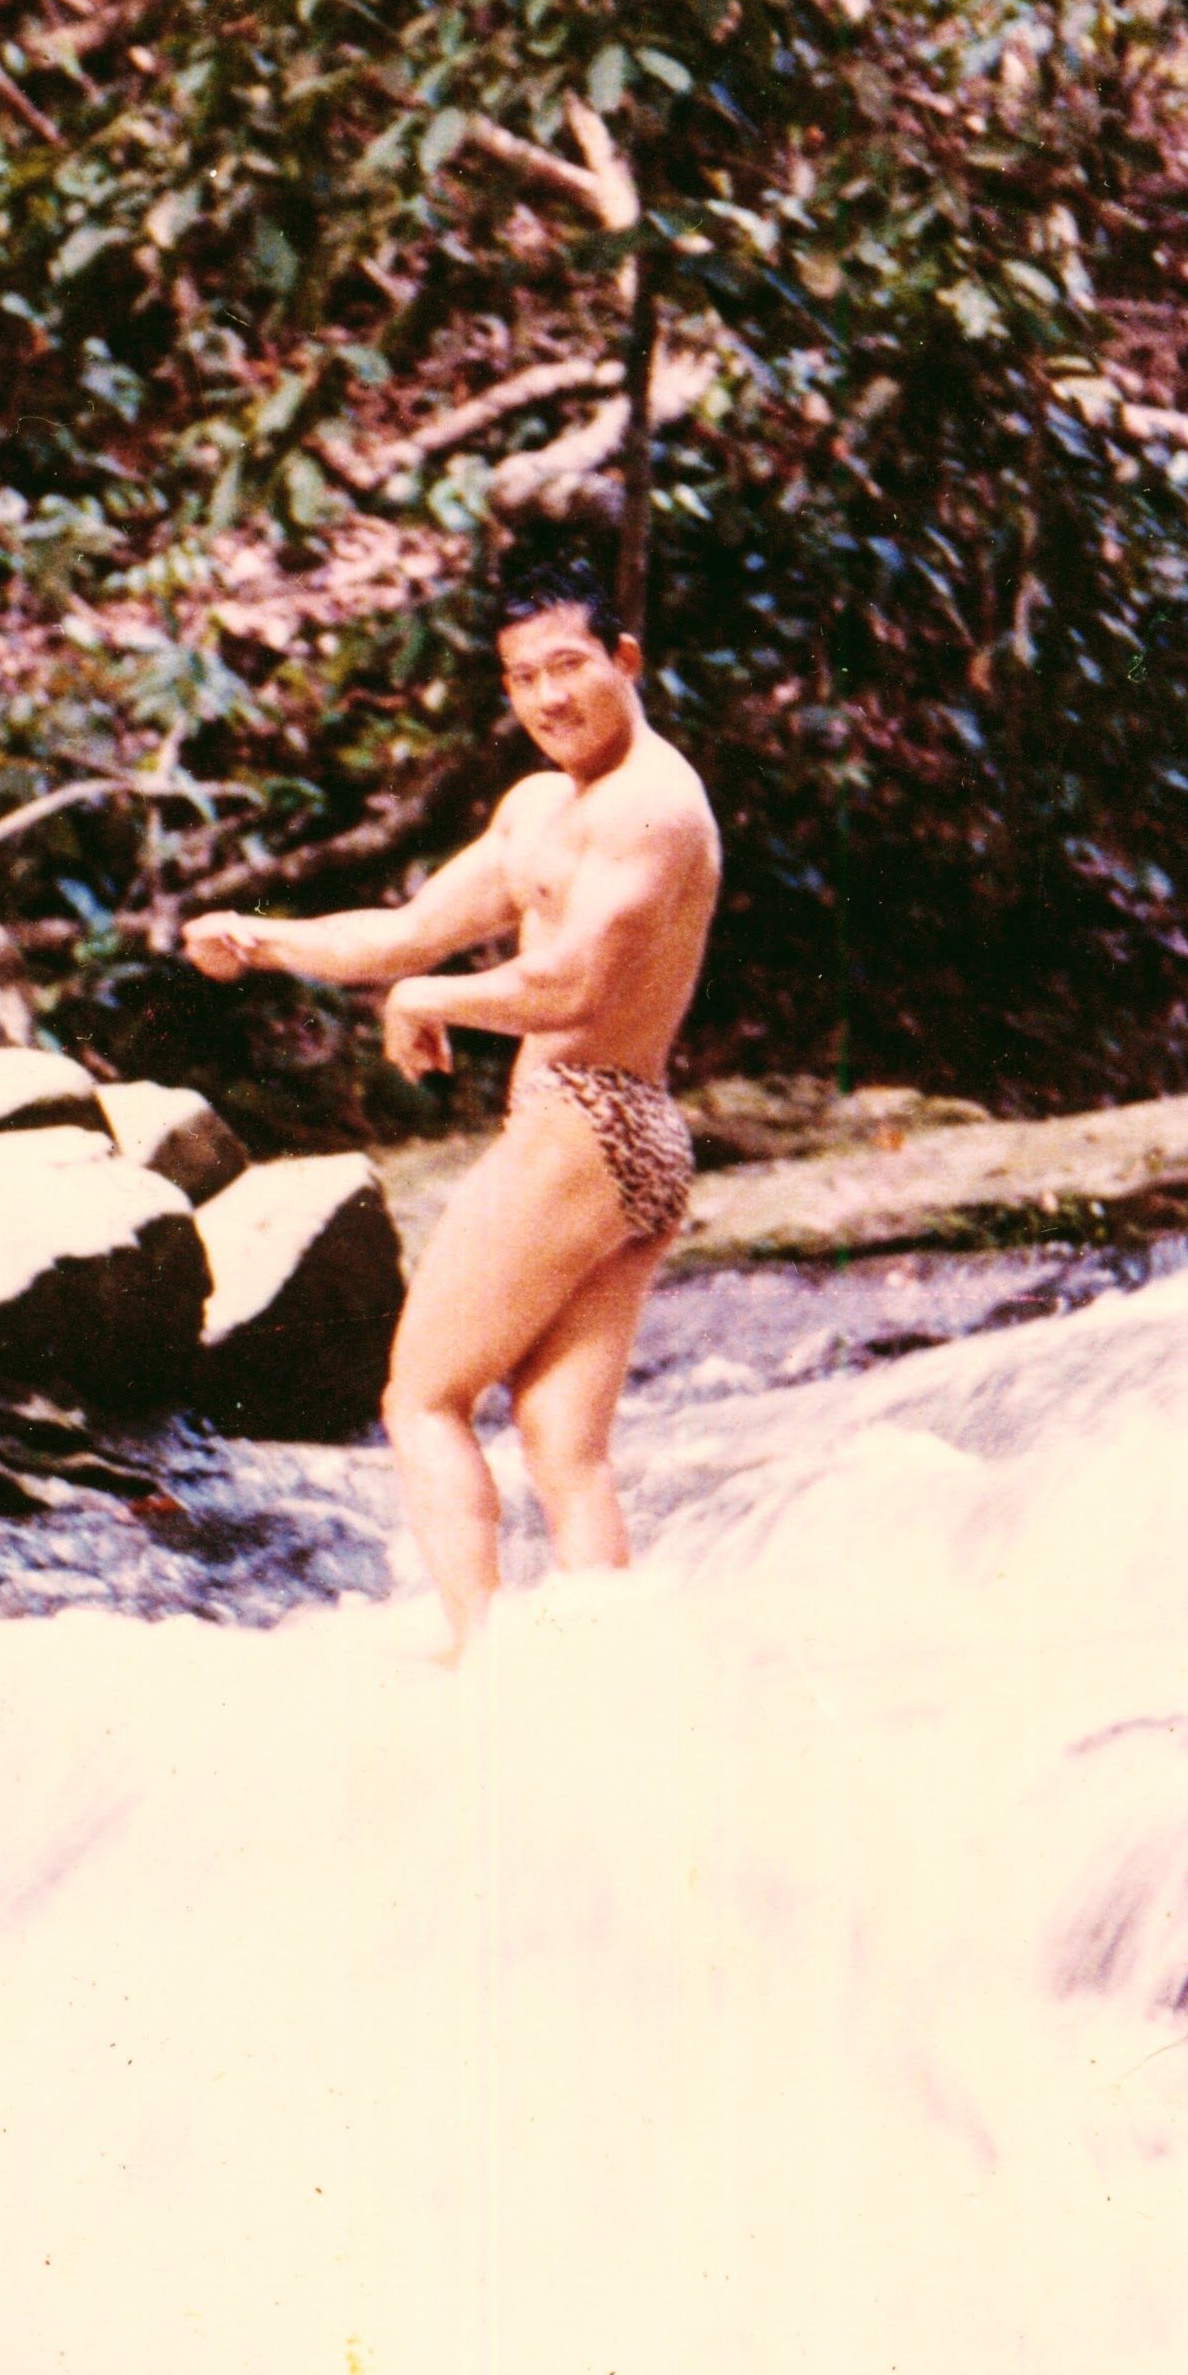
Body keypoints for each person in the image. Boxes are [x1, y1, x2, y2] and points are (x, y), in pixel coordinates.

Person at [183, 556, 721, 1661]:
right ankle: (606, 1675)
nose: (546, 698)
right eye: (523, 678)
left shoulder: (653, 809)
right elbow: (404, 931)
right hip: (636, 1144)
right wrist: (260, 937)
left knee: (421, 1396)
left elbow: (576, 986)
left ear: (625, 660)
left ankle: (481, 1666)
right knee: (561, 1443)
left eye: (568, 667)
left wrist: (433, 998)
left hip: (591, 1122)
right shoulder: (536, 805)